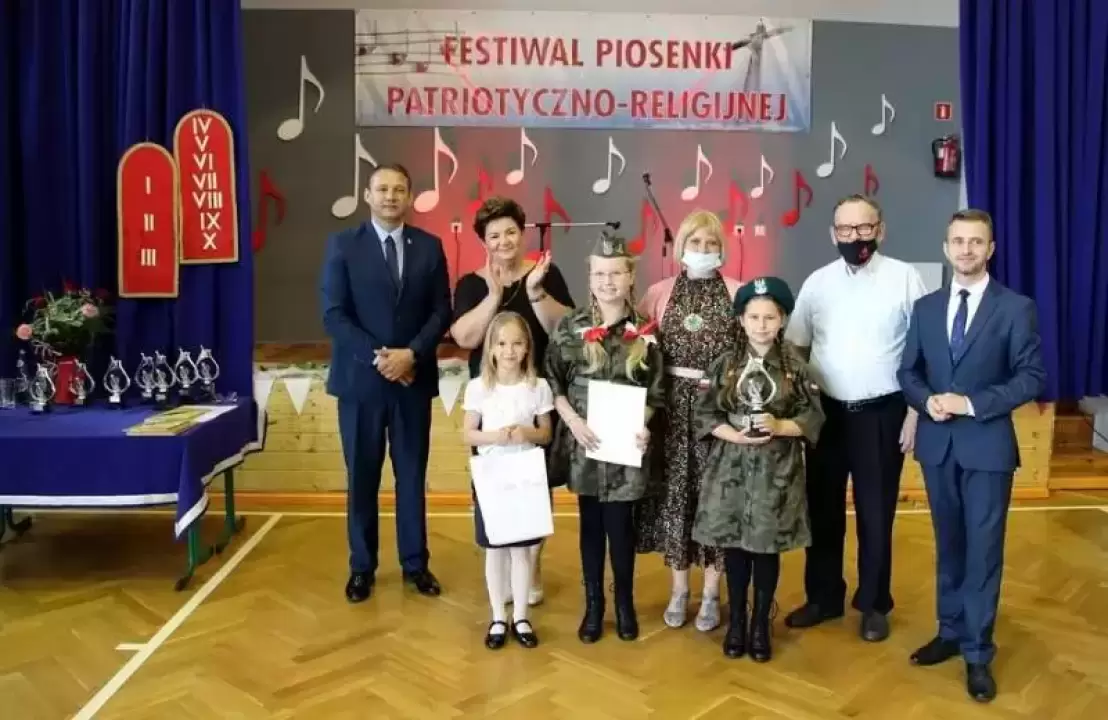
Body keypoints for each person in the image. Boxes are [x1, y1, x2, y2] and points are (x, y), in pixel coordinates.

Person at [897, 209, 1045, 703]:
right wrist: (927, 402)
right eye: (958, 241)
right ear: (946, 248)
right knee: (949, 545)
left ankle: (979, 653)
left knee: (983, 552)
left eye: (976, 241)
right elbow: (908, 372)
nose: (966, 249)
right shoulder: (925, 308)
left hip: (987, 448)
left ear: (990, 249)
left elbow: (1031, 377)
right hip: (937, 446)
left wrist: (971, 403)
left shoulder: (1016, 308)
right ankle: (950, 630)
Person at [783, 194, 927, 642]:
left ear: (880, 230)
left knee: (876, 513)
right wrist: (802, 399)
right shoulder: (818, 282)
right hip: (826, 414)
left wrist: (915, 412)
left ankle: (874, 604)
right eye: (845, 229)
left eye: (864, 228)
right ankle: (824, 597)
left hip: (882, 413)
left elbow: (924, 350)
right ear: (833, 234)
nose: (855, 237)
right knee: (822, 509)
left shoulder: (906, 278)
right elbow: (796, 346)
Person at [319, 163, 452, 603]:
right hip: (360, 384)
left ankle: (416, 564)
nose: (390, 196)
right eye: (382, 189)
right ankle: (362, 567)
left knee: (411, 476)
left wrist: (411, 354)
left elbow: (441, 310)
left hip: (413, 381)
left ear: (410, 197)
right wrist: (381, 359)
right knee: (362, 477)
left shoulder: (429, 247)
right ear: (367, 195)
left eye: (398, 190)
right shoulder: (343, 245)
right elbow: (334, 314)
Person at [692, 276, 824, 662]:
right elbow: (704, 414)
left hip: (775, 472)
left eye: (770, 317)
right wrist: (733, 435)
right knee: (734, 547)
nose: (761, 325)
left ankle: (761, 622)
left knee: (767, 548)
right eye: (754, 317)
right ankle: (736, 621)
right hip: (731, 470)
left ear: (782, 320)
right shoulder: (725, 364)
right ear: (741, 320)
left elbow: (813, 417)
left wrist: (781, 426)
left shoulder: (795, 367)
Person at [451, 196, 575, 606]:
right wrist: (493, 294)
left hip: (536, 399)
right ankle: (500, 568)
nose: (504, 241)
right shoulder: (471, 284)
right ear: (483, 241)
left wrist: (535, 292)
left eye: (510, 232)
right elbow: (465, 337)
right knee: (493, 487)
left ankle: (530, 565)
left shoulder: (545, 274)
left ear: (522, 234)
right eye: (494, 236)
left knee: (535, 488)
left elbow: (563, 330)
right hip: (491, 404)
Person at [545, 231, 665, 643]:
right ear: (590, 278)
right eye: (599, 273)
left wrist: (645, 424)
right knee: (591, 529)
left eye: (616, 273)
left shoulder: (647, 331)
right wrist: (571, 421)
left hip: (626, 452)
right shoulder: (571, 326)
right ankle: (594, 605)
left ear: (630, 277)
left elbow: (657, 390)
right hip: (587, 447)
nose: (607, 281)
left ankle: (625, 604)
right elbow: (553, 381)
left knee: (622, 530)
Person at [634, 210, 741, 632]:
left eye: (711, 243)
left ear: (721, 249)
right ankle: (679, 590)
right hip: (672, 412)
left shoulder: (737, 293)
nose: (703, 249)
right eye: (695, 242)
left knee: (715, 500)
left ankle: (712, 592)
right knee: (676, 499)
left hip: (718, 410)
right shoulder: (658, 293)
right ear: (681, 247)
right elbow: (638, 346)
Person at [461, 311, 554, 650]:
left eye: (516, 343)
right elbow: (468, 433)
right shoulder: (479, 388)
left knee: (522, 550)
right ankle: (499, 616)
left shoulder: (538, 387)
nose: (509, 351)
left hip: (526, 475)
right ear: (491, 349)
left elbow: (546, 433)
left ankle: (522, 616)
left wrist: (526, 433)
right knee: (495, 550)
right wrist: (496, 437)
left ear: (527, 347)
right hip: (492, 476)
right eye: (502, 344)